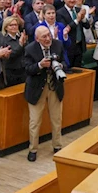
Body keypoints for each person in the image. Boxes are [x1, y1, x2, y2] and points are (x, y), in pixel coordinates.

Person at [24, 26, 66, 162]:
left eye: (49, 35)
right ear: (37, 39)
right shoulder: (30, 49)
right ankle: (33, 149)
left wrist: (61, 66)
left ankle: (57, 146)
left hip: (55, 87)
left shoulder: (58, 44)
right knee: (35, 121)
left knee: (56, 119)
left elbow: (65, 61)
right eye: (44, 37)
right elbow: (27, 69)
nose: (48, 39)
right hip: (36, 89)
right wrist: (40, 65)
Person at [1, 16, 27, 87]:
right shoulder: (4, 40)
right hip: (11, 72)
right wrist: (20, 44)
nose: (14, 27)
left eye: (15, 25)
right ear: (6, 27)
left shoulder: (20, 38)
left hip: (23, 70)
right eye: (11, 25)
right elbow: (11, 54)